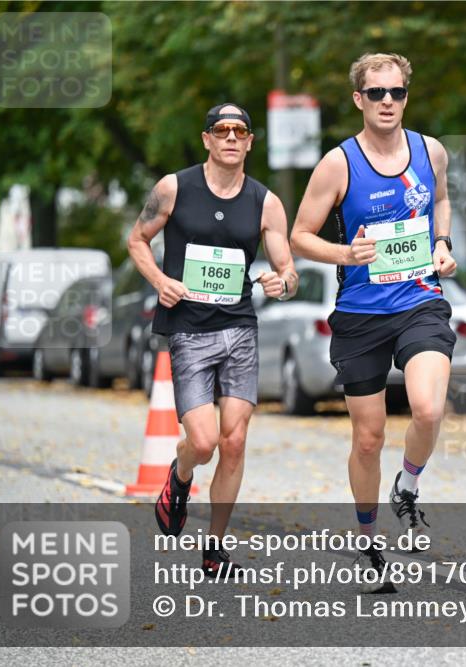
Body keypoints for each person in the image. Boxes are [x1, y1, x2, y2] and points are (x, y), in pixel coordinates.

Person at [291, 53, 457, 593]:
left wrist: (441, 244)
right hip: (361, 314)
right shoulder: (338, 164)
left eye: (398, 93)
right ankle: (369, 538)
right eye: (377, 94)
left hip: (419, 300)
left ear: (407, 95)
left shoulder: (430, 151)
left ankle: (407, 485)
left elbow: (443, 202)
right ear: (359, 99)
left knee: (428, 408)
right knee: (368, 438)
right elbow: (299, 236)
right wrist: (345, 254)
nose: (389, 102)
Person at [127, 103, 299, 578]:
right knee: (202, 443)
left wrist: (281, 282)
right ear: (206, 139)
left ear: (248, 142)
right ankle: (180, 478)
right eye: (221, 130)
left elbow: (289, 271)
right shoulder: (174, 188)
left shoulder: (265, 202)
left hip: (240, 327)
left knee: (235, 440)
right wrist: (160, 280)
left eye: (239, 131)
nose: (230, 137)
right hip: (188, 328)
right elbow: (137, 240)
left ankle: (215, 547)